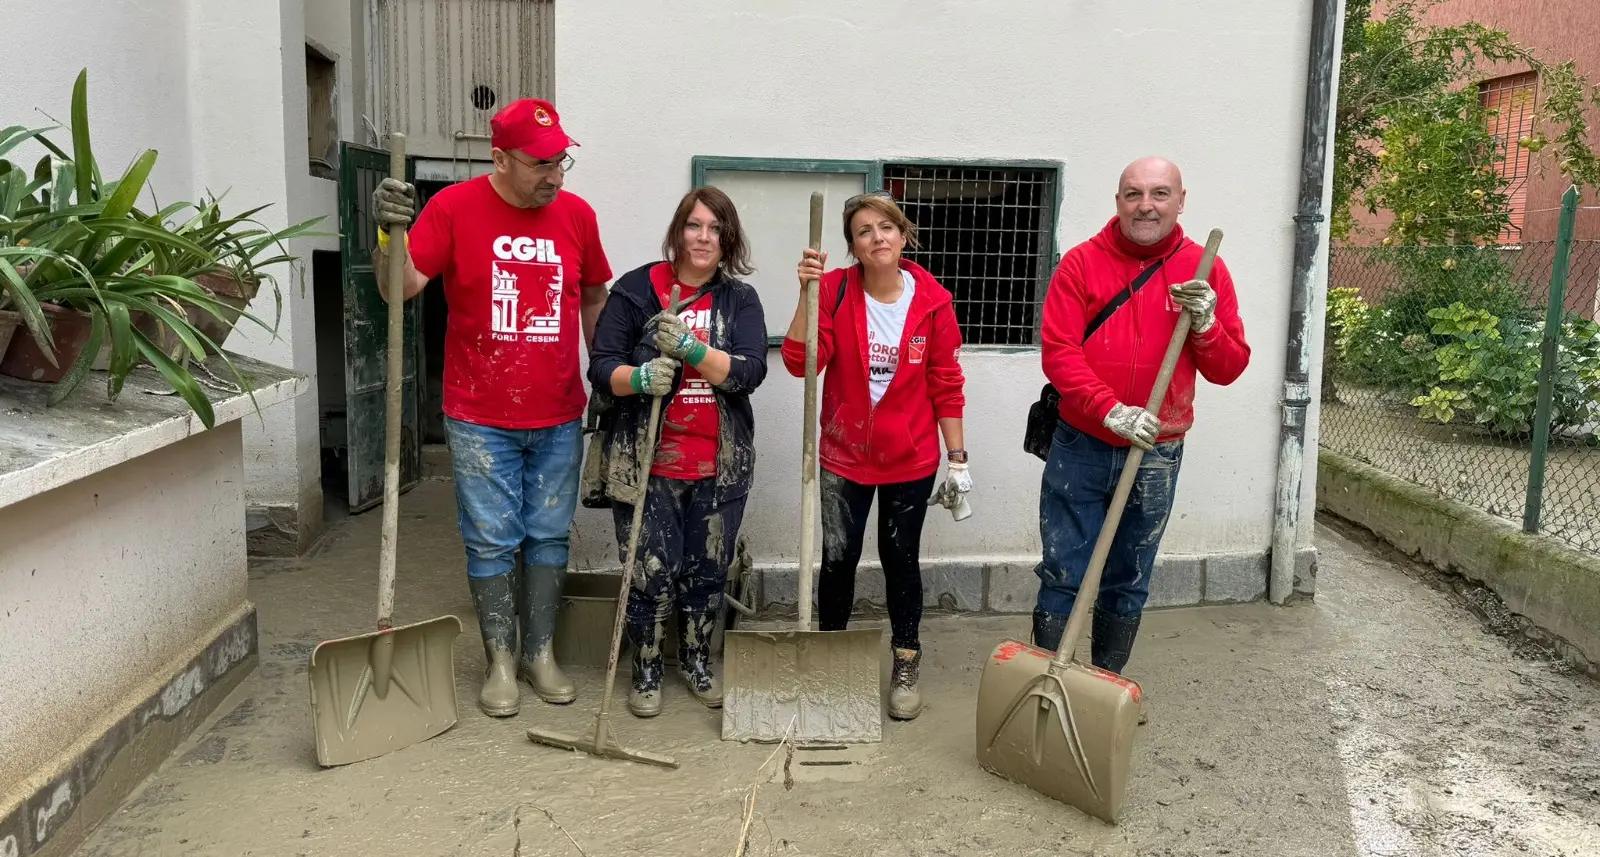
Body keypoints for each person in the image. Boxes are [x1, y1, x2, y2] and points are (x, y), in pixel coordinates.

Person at [369, 98, 612, 717]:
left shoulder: (579, 216)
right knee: (491, 540)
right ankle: (500, 660)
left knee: (549, 535)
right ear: (499, 158)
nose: (555, 176)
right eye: (540, 164)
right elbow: (399, 287)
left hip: (558, 410)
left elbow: (592, 299)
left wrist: (607, 370)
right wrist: (386, 233)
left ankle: (539, 653)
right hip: (478, 412)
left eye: (562, 161)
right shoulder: (453, 208)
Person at [1032, 156, 1251, 681]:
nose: (1145, 205)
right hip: (1081, 442)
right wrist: (1109, 410)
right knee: (1064, 569)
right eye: (1133, 194)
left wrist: (1206, 325)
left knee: (1128, 574)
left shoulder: (1204, 269)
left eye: (1158, 193)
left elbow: (1229, 367)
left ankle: (1103, 686)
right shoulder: (1082, 264)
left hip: (1156, 452)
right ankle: (1050, 680)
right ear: (1117, 201)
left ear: (1180, 200)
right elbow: (1059, 353)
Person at [785, 191, 969, 722]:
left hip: (910, 460)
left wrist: (957, 459)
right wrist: (808, 294)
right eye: (864, 231)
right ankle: (829, 660)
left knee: (899, 559)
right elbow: (799, 363)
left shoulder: (933, 301)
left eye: (887, 227)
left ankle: (906, 660)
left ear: (904, 235)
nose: (877, 237)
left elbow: (946, 384)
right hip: (843, 455)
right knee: (838, 559)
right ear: (854, 247)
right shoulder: (838, 291)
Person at [586, 186, 769, 717]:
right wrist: (639, 378)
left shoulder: (739, 300)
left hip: (718, 464)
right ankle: (645, 667)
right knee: (648, 570)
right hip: (647, 464)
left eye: (715, 228)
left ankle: (695, 660)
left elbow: (749, 372)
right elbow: (601, 365)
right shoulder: (636, 290)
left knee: (707, 572)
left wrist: (694, 350)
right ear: (678, 231)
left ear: (727, 238)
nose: (704, 237)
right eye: (694, 225)